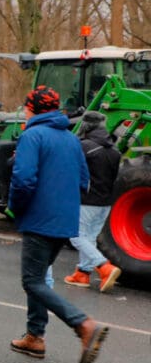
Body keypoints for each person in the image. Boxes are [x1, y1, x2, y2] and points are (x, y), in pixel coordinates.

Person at [7, 85, 108, 363]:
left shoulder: (32, 135)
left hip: (39, 219)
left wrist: (16, 207)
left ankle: (84, 325)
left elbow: (24, 179)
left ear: (33, 109)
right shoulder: (71, 139)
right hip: (65, 221)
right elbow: (83, 181)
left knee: (32, 281)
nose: (25, 110)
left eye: (27, 106)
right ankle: (34, 337)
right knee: (39, 278)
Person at [64, 110, 122, 292]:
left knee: (76, 236)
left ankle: (104, 267)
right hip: (106, 202)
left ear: (85, 126)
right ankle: (82, 274)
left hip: (87, 200)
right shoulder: (114, 150)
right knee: (89, 238)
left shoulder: (84, 147)